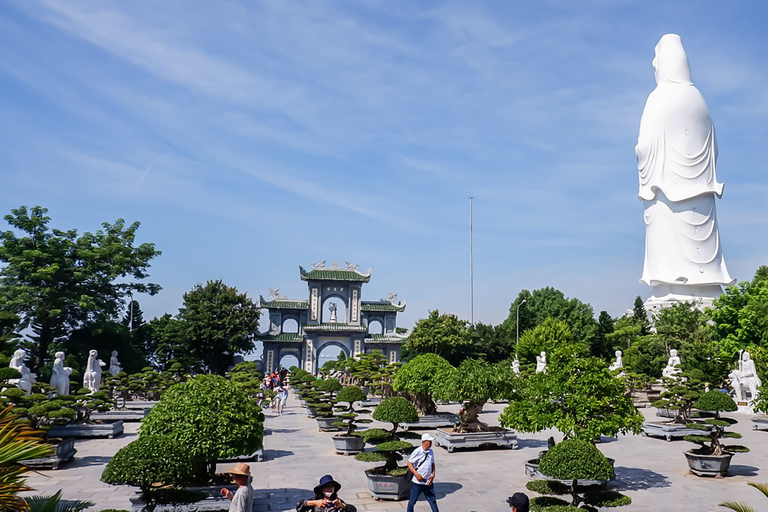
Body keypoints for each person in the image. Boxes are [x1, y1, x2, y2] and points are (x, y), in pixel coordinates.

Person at [407, 433, 439, 512]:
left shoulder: (431, 452)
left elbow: (432, 463)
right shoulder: (417, 451)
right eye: (429, 441)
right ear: (425, 442)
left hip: (428, 482)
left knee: (432, 501)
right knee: (412, 502)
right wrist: (416, 474)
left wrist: (433, 474)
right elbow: (409, 463)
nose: (431, 443)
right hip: (418, 482)